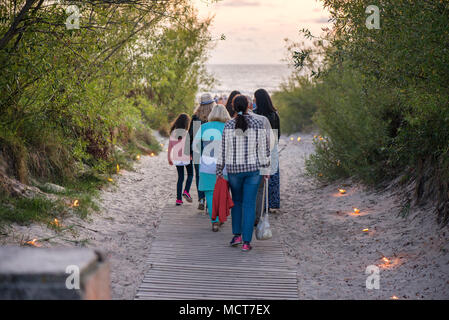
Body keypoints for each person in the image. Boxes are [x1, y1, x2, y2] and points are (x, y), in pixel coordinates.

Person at [216, 95, 270, 252]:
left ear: (233, 107)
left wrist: (219, 170)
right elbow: (264, 149)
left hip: (234, 171)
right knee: (249, 204)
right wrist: (266, 169)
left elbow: (223, 150)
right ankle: (247, 242)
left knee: (237, 203)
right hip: (253, 170)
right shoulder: (257, 123)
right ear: (249, 106)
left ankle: (236, 235)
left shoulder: (229, 125)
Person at [193, 104, 231, 231]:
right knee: (223, 191)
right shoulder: (229, 127)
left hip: (207, 163)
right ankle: (221, 217)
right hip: (225, 164)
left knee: (210, 192)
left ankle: (214, 221)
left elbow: (195, 146)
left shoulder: (204, 127)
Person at [246, 95, 274, 225]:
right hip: (259, 161)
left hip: (241, 163)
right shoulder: (263, 120)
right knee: (259, 190)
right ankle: (257, 217)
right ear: (251, 105)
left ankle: (245, 217)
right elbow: (269, 143)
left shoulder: (233, 121)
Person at [254, 88, 281, 212]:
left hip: (258, 147)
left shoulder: (255, 114)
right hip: (272, 146)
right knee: (273, 175)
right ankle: (273, 204)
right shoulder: (274, 114)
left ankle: (261, 204)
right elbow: (278, 133)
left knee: (260, 176)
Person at [189, 93, 215, 210]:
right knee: (210, 175)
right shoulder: (214, 118)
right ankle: (210, 199)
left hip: (197, 150)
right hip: (212, 150)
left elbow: (191, 136)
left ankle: (201, 198)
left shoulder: (195, 117)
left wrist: (188, 152)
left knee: (199, 175)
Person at [167, 113, 193, 206]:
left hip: (177, 158)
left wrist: (169, 158)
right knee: (190, 174)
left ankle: (178, 199)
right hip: (186, 157)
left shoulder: (173, 133)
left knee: (180, 178)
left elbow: (170, 147)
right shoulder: (186, 133)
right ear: (186, 123)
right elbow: (187, 146)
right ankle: (186, 190)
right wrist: (190, 155)